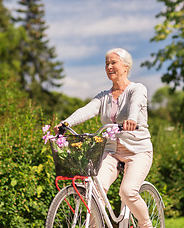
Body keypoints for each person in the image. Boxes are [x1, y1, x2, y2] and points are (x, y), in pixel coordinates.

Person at [54, 48, 153, 228]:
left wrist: (131, 119)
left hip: (138, 151)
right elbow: (88, 109)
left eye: (113, 63)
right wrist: (66, 123)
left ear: (125, 66)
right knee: (94, 191)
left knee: (127, 192)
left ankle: (145, 223)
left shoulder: (137, 89)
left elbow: (136, 103)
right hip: (112, 152)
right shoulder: (104, 96)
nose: (109, 66)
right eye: (106, 63)